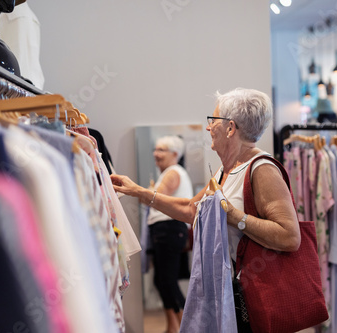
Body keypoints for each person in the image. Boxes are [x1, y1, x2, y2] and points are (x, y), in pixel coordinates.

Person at [111, 88, 300, 331]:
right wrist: (137, 191)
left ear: (230, 128)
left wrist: (235, 217)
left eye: (213, 120)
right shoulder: (226, 170)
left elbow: (290, 236)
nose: (209, 127)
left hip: (251, 297)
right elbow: (191, 209)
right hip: (230, 294)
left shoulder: (261, 169)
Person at [146, 135, 193, 333]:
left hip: (169, 229)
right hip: (168, 230)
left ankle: (186, 326)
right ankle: (173, 326)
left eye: (161, 150)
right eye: (155, 149)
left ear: (175, 154)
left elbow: (155, 200)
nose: (156, 154)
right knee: (163, 280)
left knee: (167, 280)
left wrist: (143, 192)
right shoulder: (171, 172)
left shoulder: (172, 172)